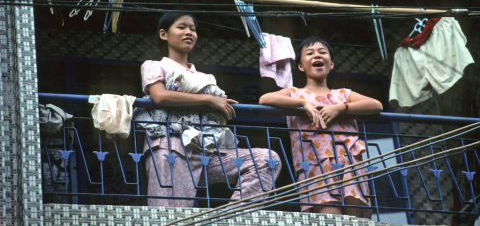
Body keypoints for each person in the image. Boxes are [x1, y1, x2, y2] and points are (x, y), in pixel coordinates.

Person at [135, 12, 281, 207]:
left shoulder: (207, 78)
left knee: (266, 159)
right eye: (182, 27)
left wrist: (215, 103)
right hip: (171, 146)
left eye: (193, 29)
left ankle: (232, 216)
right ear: (164, 34)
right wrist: (209, 99)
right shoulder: (155, 66)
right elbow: (160, 96)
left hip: (205, 150)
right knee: (170, 213)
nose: (189, 32)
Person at [259, 37, 383, 218]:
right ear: (301, 66)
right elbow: (265, 99)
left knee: (356, 217)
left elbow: (376, 105)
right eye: (309, 53)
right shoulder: (295, 93)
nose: (317, 55)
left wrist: (340, 108)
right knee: (329, 217)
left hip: (349, 164)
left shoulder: (343, 95)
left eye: (322, 52)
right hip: (315, 166)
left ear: (331, 64)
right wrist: (303, 104)